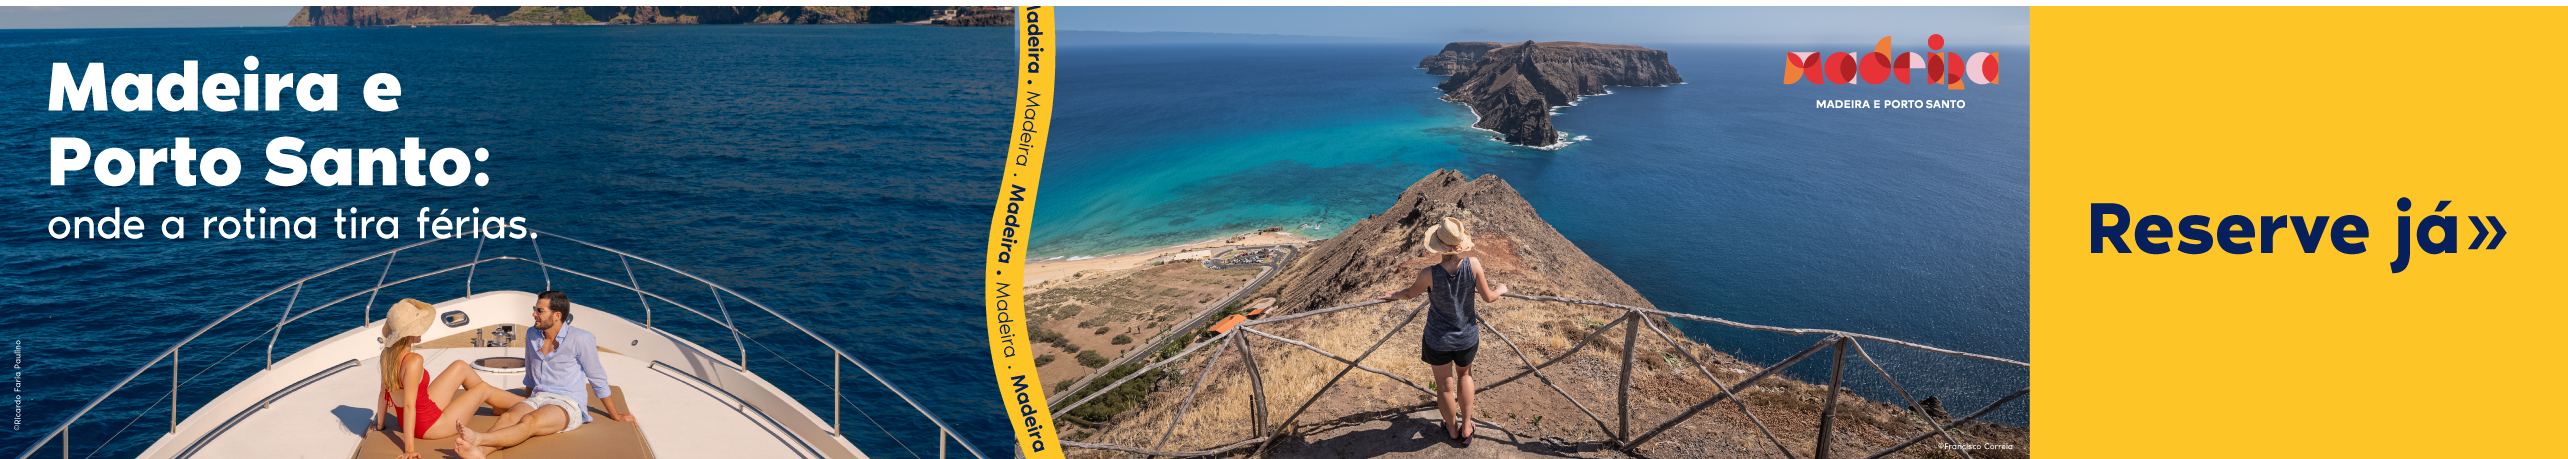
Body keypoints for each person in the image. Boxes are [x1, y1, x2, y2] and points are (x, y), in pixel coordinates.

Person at [454, 291, 637, 459]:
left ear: (557, 315)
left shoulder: (581, 339)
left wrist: (616, 415)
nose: (534, 314)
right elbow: (531, 375)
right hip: (538, 397)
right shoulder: (532, 334)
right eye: (535, 309)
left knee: (528, 421)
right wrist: (526, 402)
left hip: (567, 403)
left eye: (539, 311)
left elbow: (597, 379)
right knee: (508, 418)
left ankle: (479, 439)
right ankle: (479, 453)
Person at [1377, 217, 1508, 446]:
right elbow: (1488, 298)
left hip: (1438, 339)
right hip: (1466, 336)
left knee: (1445, 385)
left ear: (1438, 245)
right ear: (1460, 245)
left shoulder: (1429, 273)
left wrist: (1393, 294)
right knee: (1465, 376)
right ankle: (1467, 426)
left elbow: (1409, 293)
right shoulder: (1474, 264)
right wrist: (1501, 289)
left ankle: (1453, 429)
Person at [374, 298, 530, 459]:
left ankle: (498, 404)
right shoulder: (413, 361)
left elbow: (382, 396)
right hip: (430, 426)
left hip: (418, 416)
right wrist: (409, 449)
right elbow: (408, 406)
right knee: (482, 388)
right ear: (410, 332)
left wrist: (379, 426)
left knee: (460, 366)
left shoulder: (387, 357)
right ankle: (529, 403)